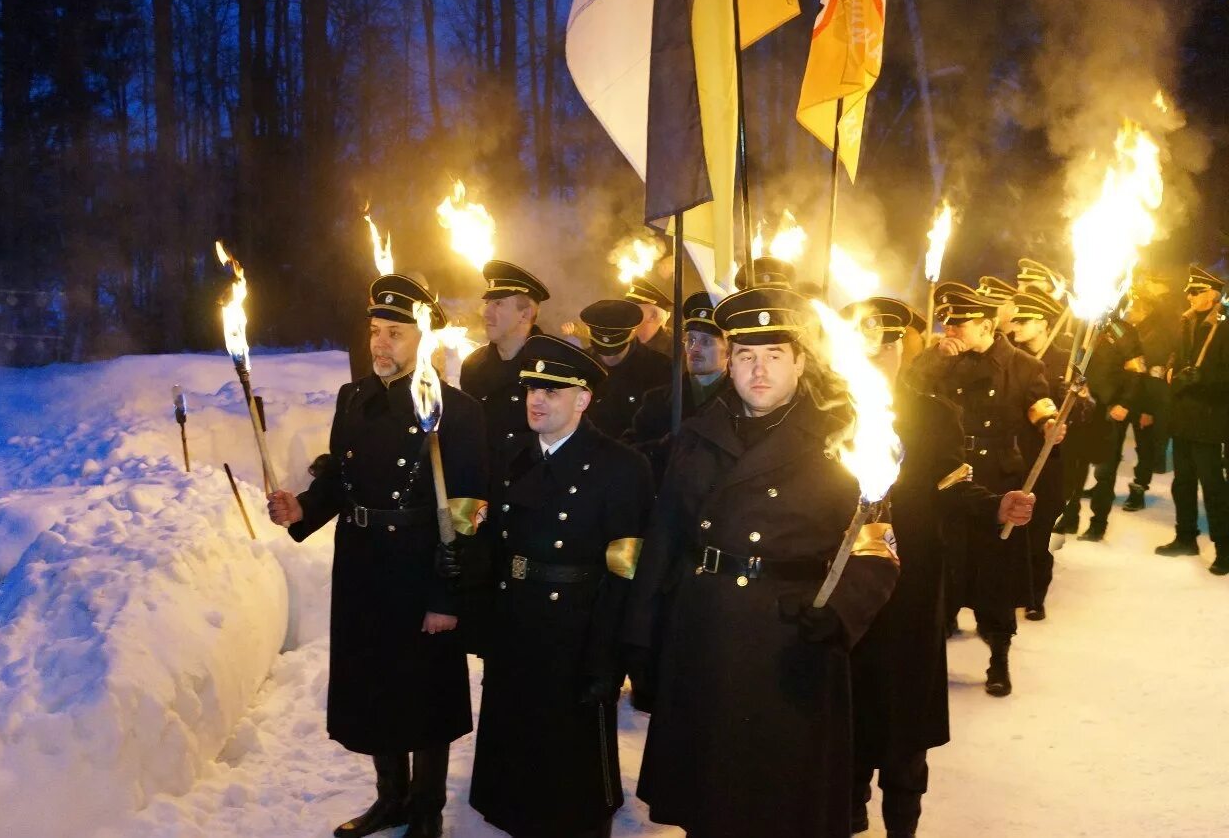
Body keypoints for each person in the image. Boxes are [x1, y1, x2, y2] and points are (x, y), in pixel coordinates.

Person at [624, 286, 900, 838]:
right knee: (708, 788)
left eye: (775, 355)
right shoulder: (699, 436)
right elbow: (667, 535)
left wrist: (841, 612)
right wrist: (642, 632)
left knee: (777, 797)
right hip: (705, 629)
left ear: (800, 362)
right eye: (746, 356)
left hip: (790, 634)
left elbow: (877, 542)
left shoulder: (839, 438)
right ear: (729, 363)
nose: (759, 370)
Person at [267, 275, 488, 838]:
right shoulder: (354, 397)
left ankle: (426, 811)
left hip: (421, 565)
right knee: (374, 685)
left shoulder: (456, 411)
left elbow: (464, 514)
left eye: (394, 333)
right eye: (374, 332)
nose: (381, 344)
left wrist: (445, 596)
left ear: (422, 338)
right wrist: (303, 509)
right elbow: (341, 478)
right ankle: (389, 798)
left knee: (425, 690)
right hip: (364, 564)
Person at [846, 297, 1035, 838]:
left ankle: (902, 819)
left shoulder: (931, 412)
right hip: (840, 586)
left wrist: (994, 503)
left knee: (905, 713)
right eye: (865, 341)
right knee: (847, 701)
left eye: (888, 343)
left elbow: (952, 484)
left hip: (910, 582)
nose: (876, 353)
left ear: (905, 348)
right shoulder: (824, 413)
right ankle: (848, 802)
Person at [469, 335, 653, 838]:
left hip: (578, 626)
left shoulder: (620, 467)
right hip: (517, 619)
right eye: (532, 387)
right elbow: (497, 545)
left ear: (583, 399)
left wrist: (608, 658)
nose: (537, 399)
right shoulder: (512, 455)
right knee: (516, 753)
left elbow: (625, 571)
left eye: (552, 390)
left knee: (572, 773)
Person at [904, 284, 1060, 697]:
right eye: (948, 322)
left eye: (960, 323)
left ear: (987, 326)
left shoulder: (1021, 365)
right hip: (949, 470)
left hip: (996, 476)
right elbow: (908, 388)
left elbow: (1039, 402)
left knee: (994, 572)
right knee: (945, 562)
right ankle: (934, 647)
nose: (950, 330)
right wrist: (934, 359)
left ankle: (999, 658)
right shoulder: (942, 359)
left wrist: (1048, 424)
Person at [1007, 288, 1079, 619]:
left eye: (1023, 320)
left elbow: (1088, 411)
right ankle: (1008, 588)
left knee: (1040, 530)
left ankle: (1036, 593)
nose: (1015, 325)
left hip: (1048, 458)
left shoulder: (1069, 359)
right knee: (1009, 528)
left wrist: (1073, 400)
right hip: (1012, 452)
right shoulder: (1009, 355)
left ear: (1042, 323)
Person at [1156, 265, 1229, 573]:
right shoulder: (1185, 323)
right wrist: (1173, 369)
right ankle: (1186, 536)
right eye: (1189, 291)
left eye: (1196, 292)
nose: (1190, 296)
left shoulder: (1224, 328)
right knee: (1182, 482)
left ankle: (1225, 548)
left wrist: (1203, 379)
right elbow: (1176, 355)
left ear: (1213, 296)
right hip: (1183, 418)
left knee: (1213, 487)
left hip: (1209, 420)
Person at [1054, 303, 1144, 542]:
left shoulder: (1121, 331)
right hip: (1080, 407)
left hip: (1108, 408)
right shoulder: (1081, 324)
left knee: (1105, 469)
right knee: (1074, 465)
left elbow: (1137, 370)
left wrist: (1124, 403)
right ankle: (1069, 517)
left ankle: (1098, 523)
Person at [624, 291, 730, 483]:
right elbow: (628, 452)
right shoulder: (658, 400)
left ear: (728, 350)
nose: (695, 348)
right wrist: (663, 448)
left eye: (706, 341)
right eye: (691, 340)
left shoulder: (742, 403)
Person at [459, 260, 552, 449]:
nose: (486, 312)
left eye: (498, 303)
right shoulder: (473, 366)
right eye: (487, 303)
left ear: (524, 314)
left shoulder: (554, 368)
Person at [1123, 284, 1180, 511]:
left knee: (1144, 447)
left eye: (1134, 306)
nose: (1130, 310)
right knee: (1140, 445)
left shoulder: (1154, 334)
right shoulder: (1141, 329)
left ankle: (1138, 489)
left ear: (1145, 310)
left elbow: (1151, 375)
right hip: (1137, 397)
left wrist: (1147, 409)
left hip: (1149, 400)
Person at [579, 299, 672, 440]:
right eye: (601, 350)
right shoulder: (580, 364)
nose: (608, 358)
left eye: (616, 351)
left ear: (630, 334)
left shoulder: (659, 368)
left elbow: (660, 429)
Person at [624, 276, 675, 357]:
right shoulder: (623, 343)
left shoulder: (677, 352)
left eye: (633, 310)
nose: (626, 314)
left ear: (653, 316)